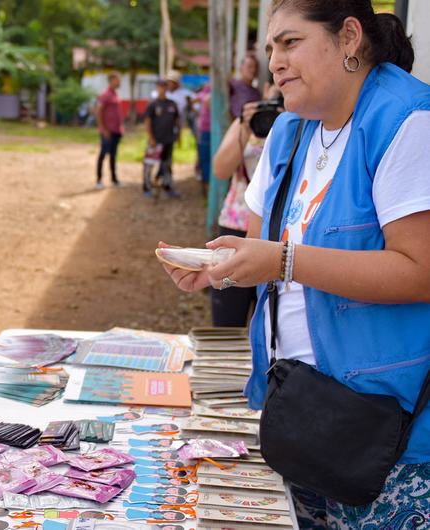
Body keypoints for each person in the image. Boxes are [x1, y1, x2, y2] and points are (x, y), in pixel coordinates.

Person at [161, 1, 430, 526]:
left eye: (290, 42)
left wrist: (284, 260)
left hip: (387, 434)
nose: (274, 63)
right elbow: (260, 253)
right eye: (269, 49)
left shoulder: (407, 121)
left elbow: (421, 270)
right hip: (298, 413)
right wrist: (216, 267)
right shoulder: (290, 130)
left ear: (349, 37)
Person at [209, 91, 280, 327]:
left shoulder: (299, 124)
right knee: (228, 317)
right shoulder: (246, 122)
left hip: (276, 234)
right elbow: (220, 170)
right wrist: (244, 127)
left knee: (271, 322)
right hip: (236, 225)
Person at [144, 79, 181, 197]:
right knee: (149, 164)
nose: (163, 89)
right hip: (156, 140)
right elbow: (147, 122)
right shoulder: (152, 104)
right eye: (160, 86)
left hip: (168, 140)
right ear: (157, 88)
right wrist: (151, 138)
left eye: (165, 86)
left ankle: (168, 186)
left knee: (167, 164)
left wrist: (178, 136)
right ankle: (147, 187)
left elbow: (177, 121)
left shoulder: (172, 104)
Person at [95, 72, 124, 189]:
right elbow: (99, 112)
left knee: (113, 155)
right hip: (108, 132)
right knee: (103, 154)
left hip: (117, 131)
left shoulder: (115, 95)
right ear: (111, 80)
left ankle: (114, 179)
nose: (119, 82)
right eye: (117, 80)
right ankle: (99, 179)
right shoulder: (105, 95)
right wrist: (103, 129)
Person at [229, 54, 264, 120]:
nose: (253, 70)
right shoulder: (233, 84)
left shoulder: (256, 92)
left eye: (255, 67)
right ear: (241, 68)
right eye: (250, 66)